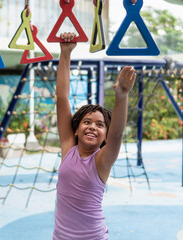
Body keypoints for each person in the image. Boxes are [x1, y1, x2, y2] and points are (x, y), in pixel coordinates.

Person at [53, 32, 136, 240]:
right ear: (76, 128)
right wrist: (65, 53)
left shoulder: (101, 160)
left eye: (100, 125)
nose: (92, 127)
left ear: (104, 136)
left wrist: (122, 96)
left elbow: (116, 133)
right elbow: (62, 98)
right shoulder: (68, 148)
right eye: (87, 122)